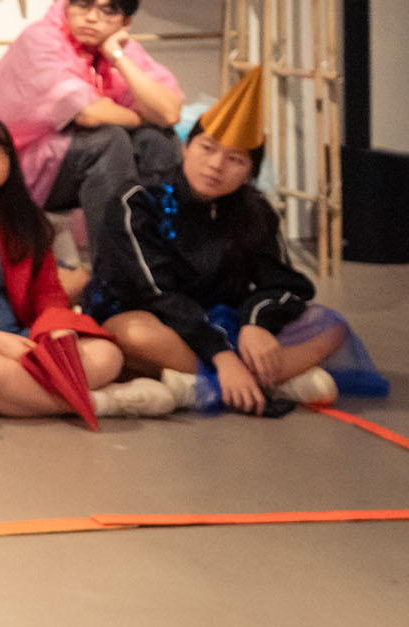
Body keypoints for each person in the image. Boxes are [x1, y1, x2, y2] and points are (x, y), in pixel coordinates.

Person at [86, 70, 377, 415]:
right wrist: (222, 355)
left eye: (235, 159)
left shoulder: (256, 211)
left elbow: (285, 285)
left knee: (331, 326)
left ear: (250, 172)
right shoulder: (138, 201)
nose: (215, 165)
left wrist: (255, 324)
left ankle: (202, 385)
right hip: (161, 319)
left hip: (223, 320)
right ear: (185, 147)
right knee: (131, 334)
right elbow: (154, 293)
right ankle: (264, 382)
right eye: (207, 148)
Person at [0, 111, 176, 421]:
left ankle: (13, 397)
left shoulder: (25, 217)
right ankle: (104, 402)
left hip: (24, 336)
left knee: (106, 354)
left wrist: (56, 331)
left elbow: (48, 294)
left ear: (9, 160)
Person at [0, 0, 182, 263]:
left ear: (125, 23)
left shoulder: (116, 47)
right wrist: (141, 117)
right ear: (68, 5)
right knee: (109, 140)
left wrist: (118, 57)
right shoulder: (41, 38)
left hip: (64, 162)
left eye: (107, 11)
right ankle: (114, 271)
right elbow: (87, 113)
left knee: (158, 139)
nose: (91, 17)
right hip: (15, 168)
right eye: (83, 5)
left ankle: (162, 256)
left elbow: (170, 112)